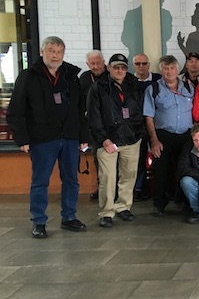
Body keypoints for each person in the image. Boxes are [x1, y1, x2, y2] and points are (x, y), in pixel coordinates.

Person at [7, 36, 89, 238]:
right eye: (51, 50)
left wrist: (83, 136)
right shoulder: (29, 76)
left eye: (59, 51)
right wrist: (23, 139)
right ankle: (39, 221)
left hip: (69, 137)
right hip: (42, 138)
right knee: (40, 181)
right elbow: (16, 110)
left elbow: (81, 109)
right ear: (43, 51)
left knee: (71, 180)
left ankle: (69, 217)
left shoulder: (71, 76)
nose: (55, 55)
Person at [87, 54, 145, 228]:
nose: (120, 71)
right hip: (108, 141)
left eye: (123, 68)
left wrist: (138, 132)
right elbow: (93, 116)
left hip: (131, 139)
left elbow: (141, 109)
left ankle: (123, 207)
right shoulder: (98, 88)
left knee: (128, 175)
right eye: (116, 67)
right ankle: (106, 212)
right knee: (107, 178)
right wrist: (103, 139)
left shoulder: (134, 85)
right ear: (109, 68)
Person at [143, 55, 195, 217]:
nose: (169, 71)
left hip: (186, 135)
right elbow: (149, 116)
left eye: (172, 68)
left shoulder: (188, 87)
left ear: (177, 69)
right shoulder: (153, 89)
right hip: (163, 136)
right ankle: (159, 204)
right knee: (161, 171)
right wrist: (154, 139)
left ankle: (185, 202)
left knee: (186, 170)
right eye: (165, 68)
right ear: (161, 70)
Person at [79, 50, 109, 199]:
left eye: (98, 62)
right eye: (92, 63)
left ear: (104, 62)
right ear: (87, 64)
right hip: (94, 127)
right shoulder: (84, 78)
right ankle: (102, 188)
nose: (96, 66)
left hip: (112, 125)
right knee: (99, 159)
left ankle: (116, 190)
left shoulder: (112, 76)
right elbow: (79, 103)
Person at [131, 53, 161, 201]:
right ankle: (139, 188)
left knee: (160, 157)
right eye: (138, 64)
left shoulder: (158, 80)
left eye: (144, 63)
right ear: (133, 66)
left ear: (149, 65)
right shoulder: (128, 81)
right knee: (139, 157)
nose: (141, 66)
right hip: (136, 126)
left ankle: (159, 189)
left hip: (157, 124)